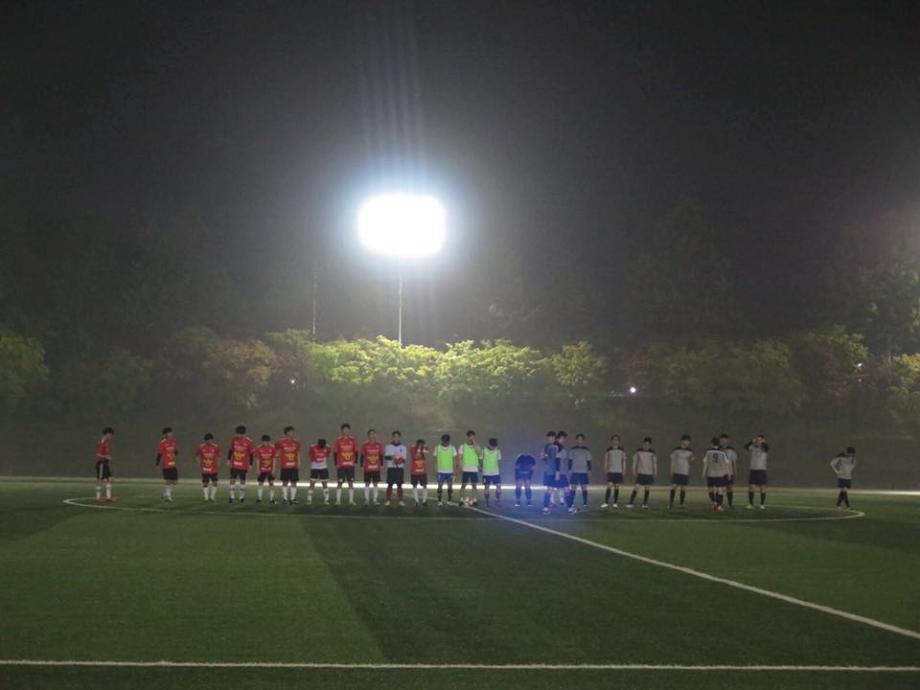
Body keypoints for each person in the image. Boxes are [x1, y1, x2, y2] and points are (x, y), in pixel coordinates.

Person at [627, 437, 657, 509]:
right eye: (645, 444)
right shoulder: (638, 451)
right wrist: (633, 470)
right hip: (641, 473)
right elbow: (635, 461)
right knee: (636, 487)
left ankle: (645, 504)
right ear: (643, 444)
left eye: (648, 444)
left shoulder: (652, 453)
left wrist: (655, 471)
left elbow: (654, 463)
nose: (646, 446)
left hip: (649, 474)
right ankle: (630, 503)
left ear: (650, 445)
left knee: (647, 488)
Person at [332, 423, 358, 505]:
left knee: (351, 482)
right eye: (344, 430)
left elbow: (356, 451)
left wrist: (355, 462)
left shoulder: (353, 440)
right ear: (342, 431)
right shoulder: (338, 440)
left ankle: (351, 500)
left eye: (347, 429)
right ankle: (338, 500)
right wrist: (336, 463)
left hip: (350, 465)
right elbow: (335, 452)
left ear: (349, 430)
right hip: (341, 465)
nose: (346, 431)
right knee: (340, 482)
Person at [227, 425, 253, 503]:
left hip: (243, 465)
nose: (237, 435)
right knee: (232, 480)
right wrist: (228, 460)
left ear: (243, 434)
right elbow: (231, 450)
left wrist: (250, 464)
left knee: (242, 481)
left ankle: (242, 497)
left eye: (239, 434)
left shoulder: (249, 441)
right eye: (237, 433)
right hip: (234, 464)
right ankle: (231, 497)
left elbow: (251, 453)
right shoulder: (234, 440)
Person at [276, 426, 302, 504]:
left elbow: (297, 453)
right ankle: (285, 499)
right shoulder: (281, 441)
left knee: (294, 482)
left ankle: (293, 499)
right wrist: (277, 455)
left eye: (292, 431)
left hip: (293, 465)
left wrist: (299, 462)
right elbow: (276, 450)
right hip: (285, 465)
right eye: (290, 431)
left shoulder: (296, 442)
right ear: (286, 432)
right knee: (285, 482)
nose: (292, 433)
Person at [702, 438, 729, 511]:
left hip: (711, 473)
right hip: (720, 474)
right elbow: (726, 464)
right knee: (720, 490)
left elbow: (705, 463)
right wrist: (728, 473)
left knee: (710, 489)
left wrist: (703, 473)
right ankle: (719, 505)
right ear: (718, 444)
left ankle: (714, 502)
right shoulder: (722, 453)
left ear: (712, 443)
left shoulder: (708, 452)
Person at [566, 433, 591, 512]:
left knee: (584, 487)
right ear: (576, 440)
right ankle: (571, 502)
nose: (580, 440)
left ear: (583, 440)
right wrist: (569, 469)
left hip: (584, 471)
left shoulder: (586, 450)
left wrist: (589, 470)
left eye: (581, 439)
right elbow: (570, 460)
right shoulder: (572, 449)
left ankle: (585, 503)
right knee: (573, 488)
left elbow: (589, 461)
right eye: (578, 439)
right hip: (575, 471)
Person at [669, 435, 694, 510]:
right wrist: (671, 470)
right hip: (676, 471)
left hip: (685, 472)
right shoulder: (676, 450)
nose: (688, 443)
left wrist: (691, 460)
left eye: (688, 441)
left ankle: (682, 504)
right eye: (687, 441)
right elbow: (672, 461)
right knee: (674, 487)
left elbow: (692, 461)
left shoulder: (690, 451)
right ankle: (671, 504)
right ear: (682, 441)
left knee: (683, 488)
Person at [744, 434, 769, 510]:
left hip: (762, 470)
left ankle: (762, 504)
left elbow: (767, 448)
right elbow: (745, 447)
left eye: (760, 440)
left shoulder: (764, 448)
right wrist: (752, 441)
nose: (758, 441)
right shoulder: (753, 447)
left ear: (762, 441)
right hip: (753, 470)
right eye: (757, 440)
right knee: (751, 488)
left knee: (763, 488)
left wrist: (763, 442)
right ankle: (751, 504)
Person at [601, 435, 626, 509]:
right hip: (611, 471)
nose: (615, 441)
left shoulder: (622, 450)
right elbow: (606, 460)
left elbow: (624, 461)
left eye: (617, 440)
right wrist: (605, 469)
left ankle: (615, 503)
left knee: (617, 487)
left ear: (618, 441)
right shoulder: (608, 450)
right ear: (612, 441)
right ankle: (606, 503)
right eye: (614, 440)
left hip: (618, 471)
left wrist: (624, 470)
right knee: (609, 486)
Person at [360, 429, 384, 505]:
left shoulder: (379, 444)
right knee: (367, 483)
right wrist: (361, 465)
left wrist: (381, 464)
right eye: (370, 434)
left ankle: (375, 500)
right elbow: (362, 456)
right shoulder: (365, 445)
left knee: (375, 483)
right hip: (367, 467)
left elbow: (381, 455)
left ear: (375, 435)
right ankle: (366, 500)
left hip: (376, 467)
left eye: (373, 434)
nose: (372, 436)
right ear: (368, 436)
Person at [155, 427, 179, 503]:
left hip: (173, 464)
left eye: (171, 432)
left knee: (175, 481)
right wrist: (157, 464)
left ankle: (165, 493)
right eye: (169, 433)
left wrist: (174, 454)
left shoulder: (173, 441)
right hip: (166, 464)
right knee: (168, 480)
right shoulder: (162, 443)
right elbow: (159, 454)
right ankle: (168, 496)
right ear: (165, 434)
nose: (171, 434)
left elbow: (176, 451)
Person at [458, 430, 481, 507]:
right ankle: (461, 500)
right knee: (463, 485)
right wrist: (460, 467)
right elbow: (460, 457)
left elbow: (479, 453)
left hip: (474, 468)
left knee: (474, 485)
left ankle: (474, 500)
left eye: (473, 437)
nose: (471, 438)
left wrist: (474, 443)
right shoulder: (462, 446)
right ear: (467, 437)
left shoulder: (476, 446)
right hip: (465, 469)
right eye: (470, 437)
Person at [384, 430, 407, 506]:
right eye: (394, 436)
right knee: (390, 484)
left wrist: (398, 460)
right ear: (392, 437)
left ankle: (401, 500)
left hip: (399, 469)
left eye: (397, 436)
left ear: (399, 437)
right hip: (391, 468)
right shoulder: (388, 447)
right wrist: (393, 458)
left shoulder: (403, 447)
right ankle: (388, 500)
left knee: (399, 485)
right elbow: (386, 457)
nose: (396, 438)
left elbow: (404, 459)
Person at [196, 433, 220, 502]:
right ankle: (206, 497)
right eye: (208, 440)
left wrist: (218, 463)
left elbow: (218, 456)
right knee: (205, 483)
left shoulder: (216, 447)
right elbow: (197, 456)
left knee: (215, 482)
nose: (209, 441)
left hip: (213, 468)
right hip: (205, 468)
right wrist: (199, 463)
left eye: (210, 440)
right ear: (205, 440)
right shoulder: (201, 447)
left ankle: (212, 497)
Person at [435, 434, 457, 506]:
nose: (445, 442)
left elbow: (454, 461)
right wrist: (436, 471)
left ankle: (449, 500)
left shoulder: (452, 448)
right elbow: (435, 460)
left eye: (447, 441)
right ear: (442, 440)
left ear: (449, 441)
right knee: (440, 486)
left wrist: (454, 472)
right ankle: (439, 501)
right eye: (444, 441)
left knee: (450, 486)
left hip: (450, 471)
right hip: (440, 471)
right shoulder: (437, 448)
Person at [307, 438, 331, 505]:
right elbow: (311, 457)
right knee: (312, 483)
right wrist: (318, 459)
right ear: (318, 444)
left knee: (324, 483)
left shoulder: (327, 447)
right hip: (314, 468)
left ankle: (326, 499)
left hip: (323, 468)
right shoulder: (312, 447)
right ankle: (309, 499)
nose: (322, 447)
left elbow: (328, 454)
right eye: (321, 446)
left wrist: (323, 457)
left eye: (323, 446)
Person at [254, 434, 276, 504]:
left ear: (269, 441)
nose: (265, 443)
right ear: (262, 441)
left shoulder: (272, 448)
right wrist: (258, 469)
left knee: (271, 483)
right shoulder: (258, 448)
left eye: (267, 442)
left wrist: (273, 469)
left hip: (270, 469)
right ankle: (259, 499)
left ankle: (271, 499)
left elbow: (274, 459)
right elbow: (257, 459)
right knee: (260, 483)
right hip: (262, 469)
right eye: (264, 441)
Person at [94, 427, 115, 502]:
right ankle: (97, 497)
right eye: (111, 435)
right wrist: (106, 457)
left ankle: (108, 497)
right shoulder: (102, 442)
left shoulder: (106, 442)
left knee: (109, 479)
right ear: (108, 434)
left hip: (105, 463)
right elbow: (98, 454)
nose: (111, 437)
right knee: (100, 479)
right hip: (101, 463)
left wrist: (107, 456)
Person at [541, 431, 560, 514]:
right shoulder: (553, 447)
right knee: (551, 489)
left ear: (555, 438)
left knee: (550, 489)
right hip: (551, 471)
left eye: (552, 437)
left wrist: (544, 456)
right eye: (549, 437)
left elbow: (544, 458)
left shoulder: (550, 447)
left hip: (550, 470)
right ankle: (546, 507)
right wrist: (557, 472)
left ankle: (547, 505)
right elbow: (555, 459)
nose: (550, 439)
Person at [481, 438, 503, 507]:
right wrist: (481, 467)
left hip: (495, 472)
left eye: (495, 446)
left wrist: (499, 470)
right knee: (486, 487)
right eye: (492, 445)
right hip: (486, 472)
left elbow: (499, 461)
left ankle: (498, 500)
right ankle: (487, 502)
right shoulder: (484, 450)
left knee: (498, 486)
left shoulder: (498, 451)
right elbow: (481, 459)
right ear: (489, 444)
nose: (493, 447)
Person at [719, 433, 738, 508]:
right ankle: (720, 504)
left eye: (724, 440)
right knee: (720, 488)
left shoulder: (731, 450)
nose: (723, 442)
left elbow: (734, 462)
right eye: (722, 440)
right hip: (720, 473)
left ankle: (730, 503)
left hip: (729, 472)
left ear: (727, 440)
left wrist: (735, 472)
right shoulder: (718, 449)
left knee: (729, 488)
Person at [409, 438, 430, 506]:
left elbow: (427, 453)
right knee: (414, 485)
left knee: (424, 485)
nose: (421, 445)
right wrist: (418, 449)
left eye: (422, 444)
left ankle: (424, 500)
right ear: (417, 444)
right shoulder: (413, 449)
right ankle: (416, 501)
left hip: (422, 472)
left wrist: (425, 448)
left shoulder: (424, 449)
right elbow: (416, 456)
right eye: (419, 444)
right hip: (414, 472)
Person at [553, 431, 570, 508]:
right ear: (561, 437)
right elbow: (557, 459)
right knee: (566, 487)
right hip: (559, 471)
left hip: (558, 470)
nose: (564, 440)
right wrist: (557, 471)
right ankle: (569, 505)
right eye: (564, 438)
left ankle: (553, 503)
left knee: (553, 487)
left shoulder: (558, 446)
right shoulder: (557, 446)